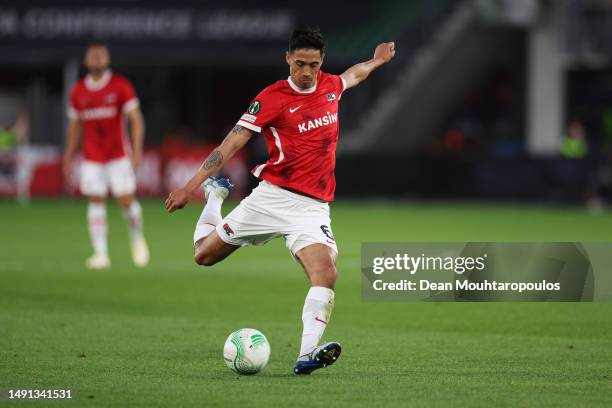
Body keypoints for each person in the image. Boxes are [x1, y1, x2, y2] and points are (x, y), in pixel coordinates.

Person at [165, 25, 395, 374]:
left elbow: (354, 74)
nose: (305, 72)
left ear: (322, 63)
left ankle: (306, 354)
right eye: (299, 63)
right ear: (288, 58)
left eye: (313, 65)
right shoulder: (271, 98)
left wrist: (377, 61)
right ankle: (215, 198)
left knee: (326, 272)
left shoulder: (331, 86)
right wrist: (190, 187)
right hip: (271, 199)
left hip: (312, 207)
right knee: (203, 256)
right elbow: (230, 144)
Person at [63, 42, 149, 270]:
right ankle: (100, 254)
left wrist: (137, 150)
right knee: (95, 199)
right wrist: (68, 158)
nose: (97, 58)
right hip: (92, 157)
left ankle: (137, 236)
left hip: (118, 155)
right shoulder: (78, 91)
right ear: (86, 61)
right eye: (93, 55)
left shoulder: (120, 86)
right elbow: (74, 128)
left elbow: (135, 120)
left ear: (108, 59)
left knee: (125, 201)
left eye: (101, 55)